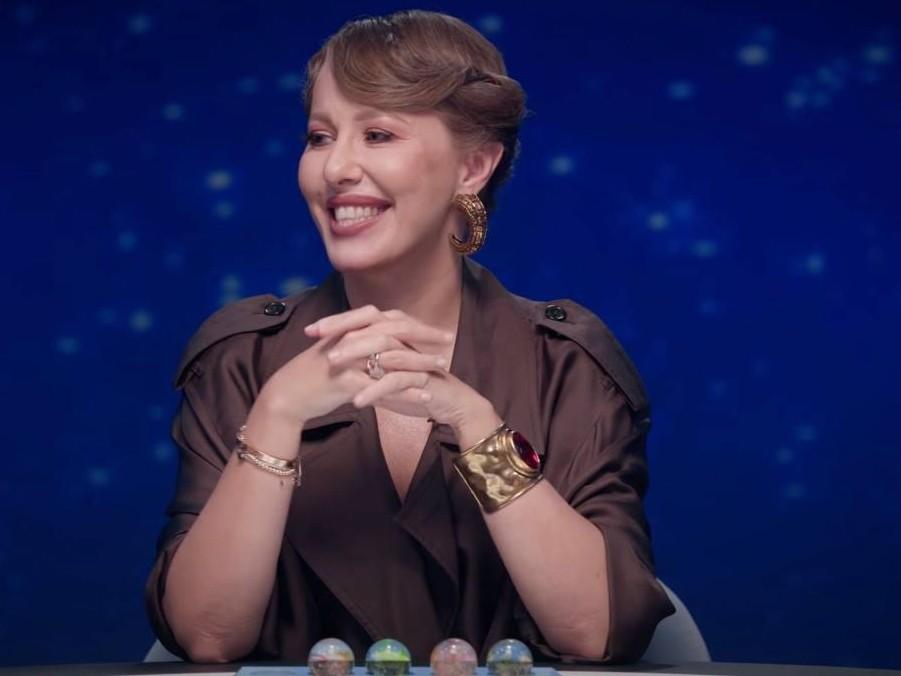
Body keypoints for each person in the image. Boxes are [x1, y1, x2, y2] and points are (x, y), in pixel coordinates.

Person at [145, 9, 674, 666]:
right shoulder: (240, 358)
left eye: (377, 134)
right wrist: (277, 415)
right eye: (319, 137)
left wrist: (477, 427)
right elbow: (206, 636)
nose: (335, 168)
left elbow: (596, 632)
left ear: (473, 166)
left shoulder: (564, 362)